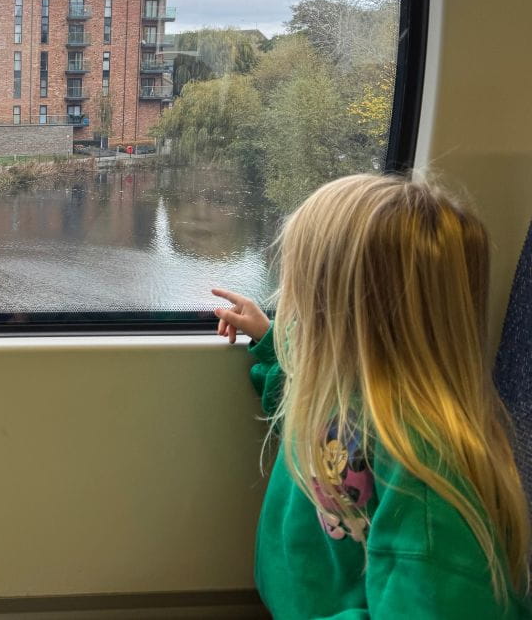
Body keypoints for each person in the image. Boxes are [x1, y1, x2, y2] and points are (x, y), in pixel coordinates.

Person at [213, 174, 531, 618]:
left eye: (304, 297)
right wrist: (269, 342)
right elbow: (304, 414)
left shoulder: (426, 471)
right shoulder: (340, 389)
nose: (292, 310)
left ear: (347, 320)